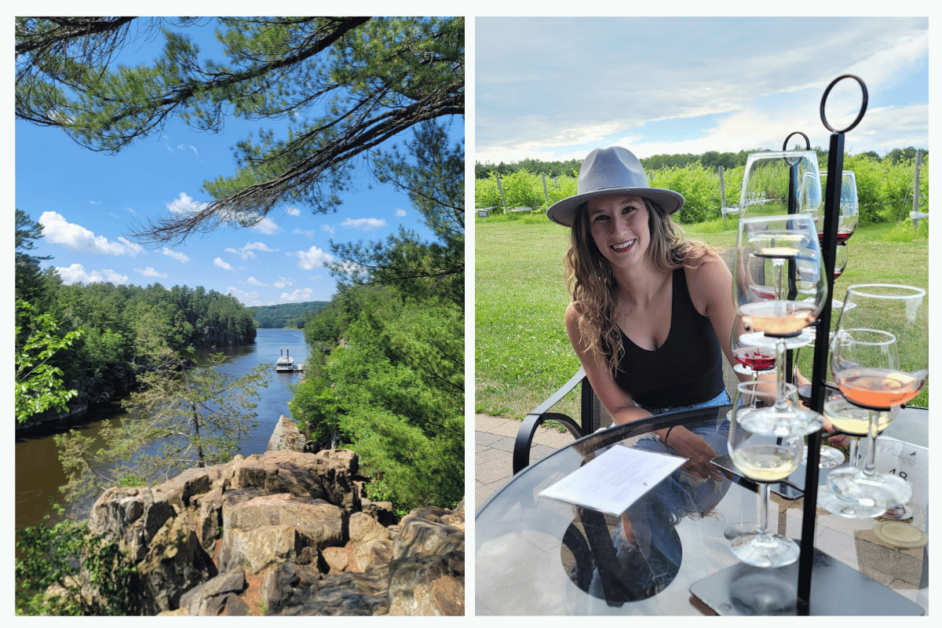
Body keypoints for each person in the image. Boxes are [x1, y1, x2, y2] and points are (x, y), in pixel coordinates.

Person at [547, 146, 743, 479]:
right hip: (638, 427)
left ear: (651, 214)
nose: (618, 230)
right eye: (601, 218)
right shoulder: (583, 316)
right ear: (587, 232)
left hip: (710, 422)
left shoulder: (700, 273)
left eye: (629, 210)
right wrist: (670, 434)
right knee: (620, 498)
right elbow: (620, 408)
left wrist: (798, 397)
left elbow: (751, 367)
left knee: (646, 501)